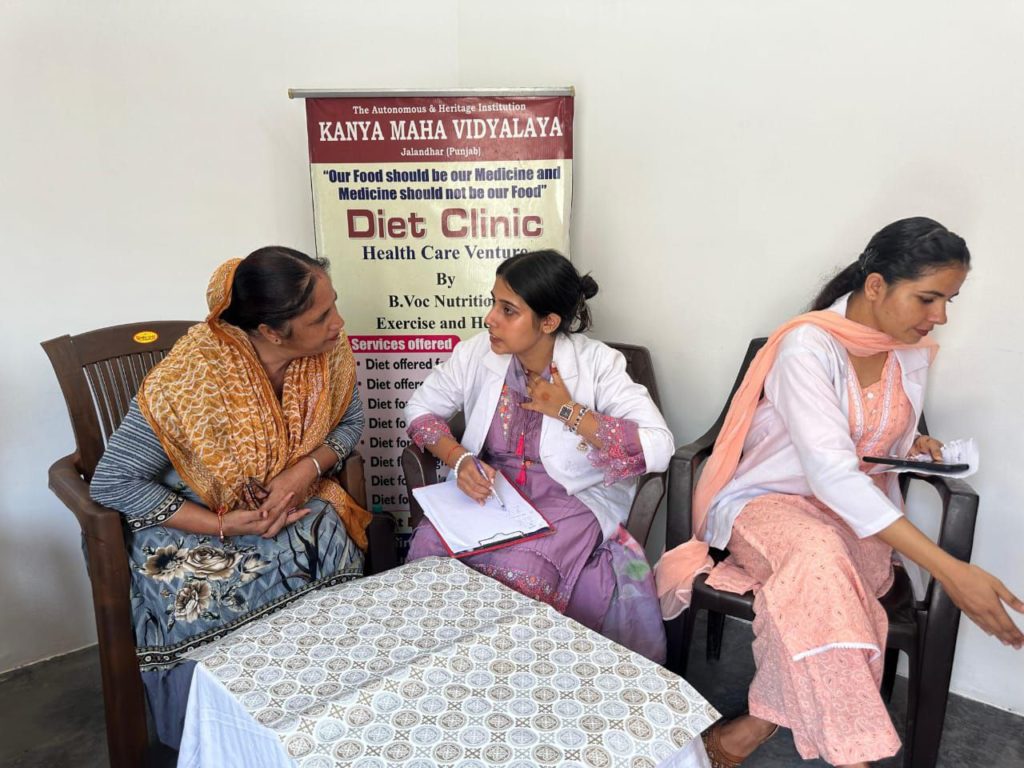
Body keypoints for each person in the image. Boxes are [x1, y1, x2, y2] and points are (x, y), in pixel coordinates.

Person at [656, 217, 1024, 767]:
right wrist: (951, 571)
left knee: (816, 588)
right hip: (768, 505)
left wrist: (911, 442)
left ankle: (752, 728)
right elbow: (830, 471)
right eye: (928, 298)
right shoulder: (806, 347)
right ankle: (855, 758)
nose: (941, 317)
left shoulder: (908, 352)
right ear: (875, 286)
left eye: (949, 301)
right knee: (819, 559)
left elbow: (869, 434)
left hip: (857, 520)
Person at [90, 246, 371, 746]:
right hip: (190, 519)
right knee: (195, 585)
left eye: (334, 305)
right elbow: (113, 481)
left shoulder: (328, 356)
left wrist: (301, 472)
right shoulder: (191, 379)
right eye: (321, 316)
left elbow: (350, 424)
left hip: (286, 502)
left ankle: (330, 710)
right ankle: (225, 735)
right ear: (271, 331)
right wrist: (222, 524)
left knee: (325, 529)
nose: (339, 323)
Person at [404, 249, 673, 662]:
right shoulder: (477, 353)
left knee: (526, 570)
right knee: (429, 548)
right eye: (493, 303)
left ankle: (518, 677)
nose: (490, 318)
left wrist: (567, 410)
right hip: (493, 487)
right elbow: (420, 408)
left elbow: (658, 444)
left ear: (548, 322)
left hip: (569, 495)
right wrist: (459, 459)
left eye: (508, 310)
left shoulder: (598, 364)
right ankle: (443, 669)